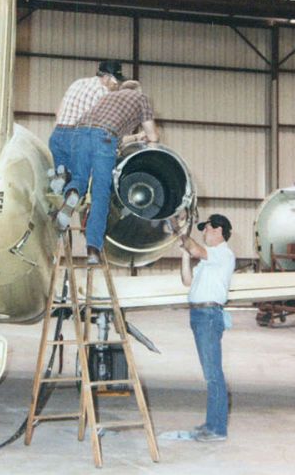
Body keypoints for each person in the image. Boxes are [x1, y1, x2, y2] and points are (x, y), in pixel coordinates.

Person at [57, 80, 158, 264]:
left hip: (79, 134)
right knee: (100, 194)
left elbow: (116, 138)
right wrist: (153, 141)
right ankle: (93, 249)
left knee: (79, 179)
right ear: (137, 91)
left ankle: (72, 194)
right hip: (104, 138)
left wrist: (136, 137)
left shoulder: (107, 98)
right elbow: (151, 134)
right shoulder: (141, 98)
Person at [175, 213, 235, 443]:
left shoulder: (222, 254)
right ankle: (212, 424)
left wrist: (180, 231)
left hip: (208, 315)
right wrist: (184, 253)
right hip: (200, 315)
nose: (204, 232)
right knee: (211, 374)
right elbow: (187, 281)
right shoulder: (209, 260)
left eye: (207, 228)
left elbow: (196, 249)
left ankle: (217, 429)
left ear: (219, 230)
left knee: (213, 375)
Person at [48, 60, 125, 194]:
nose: (116, 86)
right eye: (115, 82)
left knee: (66, 181)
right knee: (80, 182)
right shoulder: (103, 92)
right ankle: (71, 186)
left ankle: (61, 178)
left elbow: (58, 112)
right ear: (107, 77)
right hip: (76, 139)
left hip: (57, 135)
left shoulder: (78, 83)